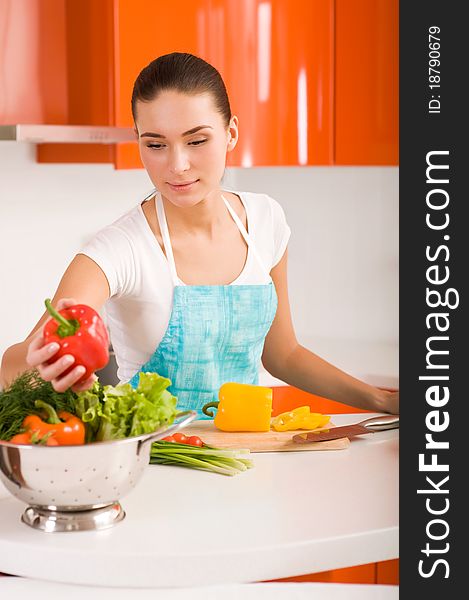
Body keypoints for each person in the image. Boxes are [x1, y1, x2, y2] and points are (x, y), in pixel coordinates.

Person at [0, 52, 399, 417]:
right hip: (157, 466)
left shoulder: (265, 220)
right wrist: (41, 362)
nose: (177, 165)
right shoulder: (117, 250)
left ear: (231, 133)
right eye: (155, 144)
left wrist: (380, 400)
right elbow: (11, 370)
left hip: (245, 458)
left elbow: (283, 355)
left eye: (197, 140)